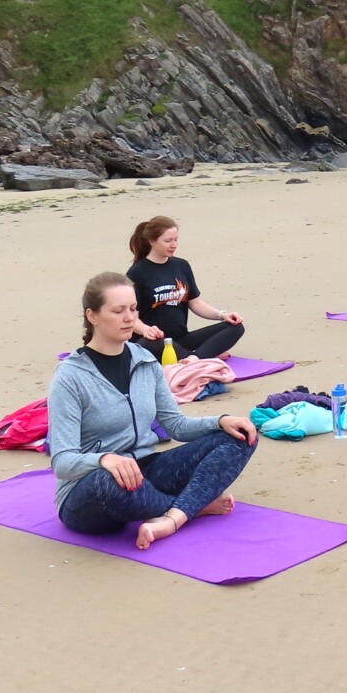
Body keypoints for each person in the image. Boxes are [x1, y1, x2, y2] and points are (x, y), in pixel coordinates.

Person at [49, 272, 259, 550]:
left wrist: (221, 421)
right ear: (93, 316)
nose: (129, 318)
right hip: (90, 490)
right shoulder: (70, 377)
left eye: (133, 309)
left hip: (145, 471)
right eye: (118, 310)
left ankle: (172, 517)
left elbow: (176, 426)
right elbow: (62, 462)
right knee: (110, 481)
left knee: (239, 436)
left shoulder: (146, 361)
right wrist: (104, 460)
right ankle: (192, 504)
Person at [126, 216, 246, 360]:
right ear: (152, 241)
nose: (173, 245)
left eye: (176, 239)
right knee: (150, 343)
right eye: (168, 241)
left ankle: (194, 358)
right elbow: (131, 317)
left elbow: (196, 303)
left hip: (181, 339)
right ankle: (202, 356)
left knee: (235, 327)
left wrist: (222, 315)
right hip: (154, 341)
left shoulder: (181, 266)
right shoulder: (137, 272)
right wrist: (146, 330)